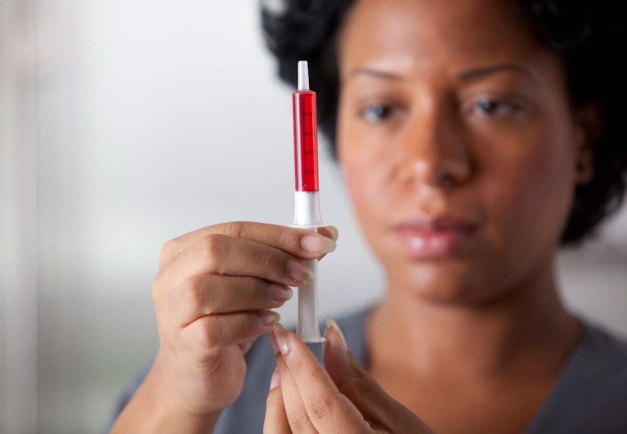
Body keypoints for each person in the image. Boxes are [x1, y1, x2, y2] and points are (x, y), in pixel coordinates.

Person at [109, 0, 627, 432]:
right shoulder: (221, 383)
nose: (430, 163)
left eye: (490, 105)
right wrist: (176, 399)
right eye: (381, 110)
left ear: (583, 136)